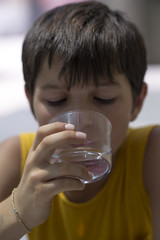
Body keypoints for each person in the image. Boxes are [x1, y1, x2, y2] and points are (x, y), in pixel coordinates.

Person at [0, 1, 160, 239]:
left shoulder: (151, 155)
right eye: (56, 101)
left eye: (103, 99)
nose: (79, 125)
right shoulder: (16, 158)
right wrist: (21, 208)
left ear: (137, 103)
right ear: (31, 100)